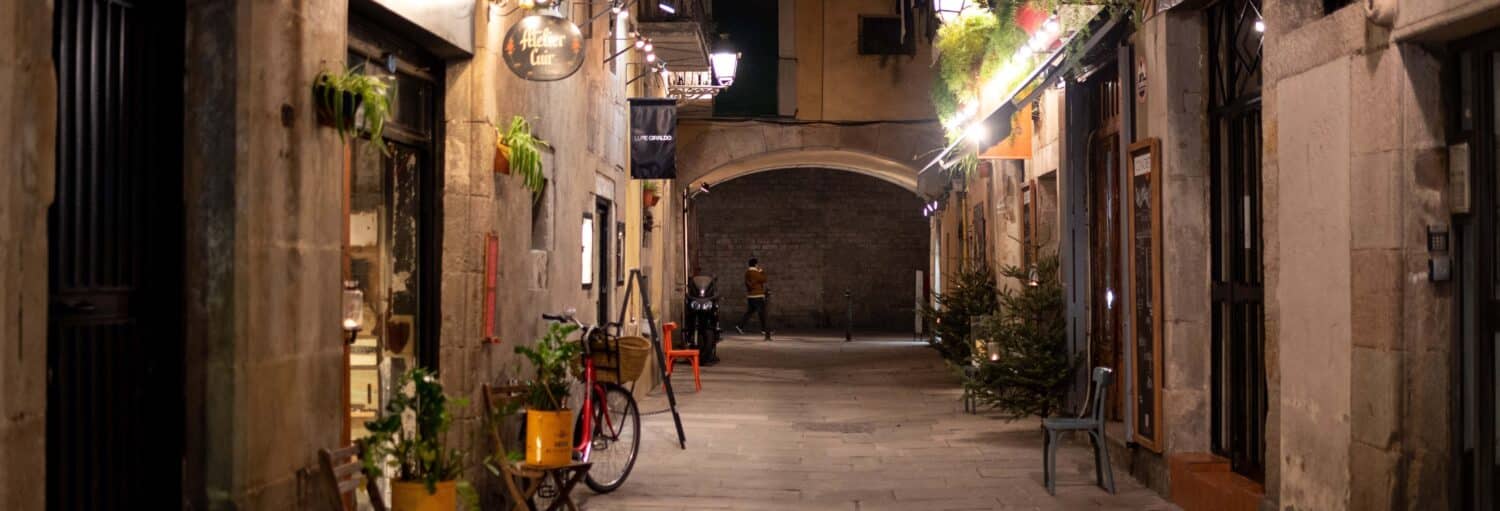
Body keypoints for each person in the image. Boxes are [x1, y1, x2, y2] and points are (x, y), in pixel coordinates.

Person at [735, 258, 771, 340]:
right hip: (757, 295)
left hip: (750, 296)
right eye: (757, 264)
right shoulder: (755, 272)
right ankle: (764, 330)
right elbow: (764, 279)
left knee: (749, 312)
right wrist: (762, 271)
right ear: (755, 264)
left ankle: (740, 326)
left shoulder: (747, 272)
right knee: (762, 313)